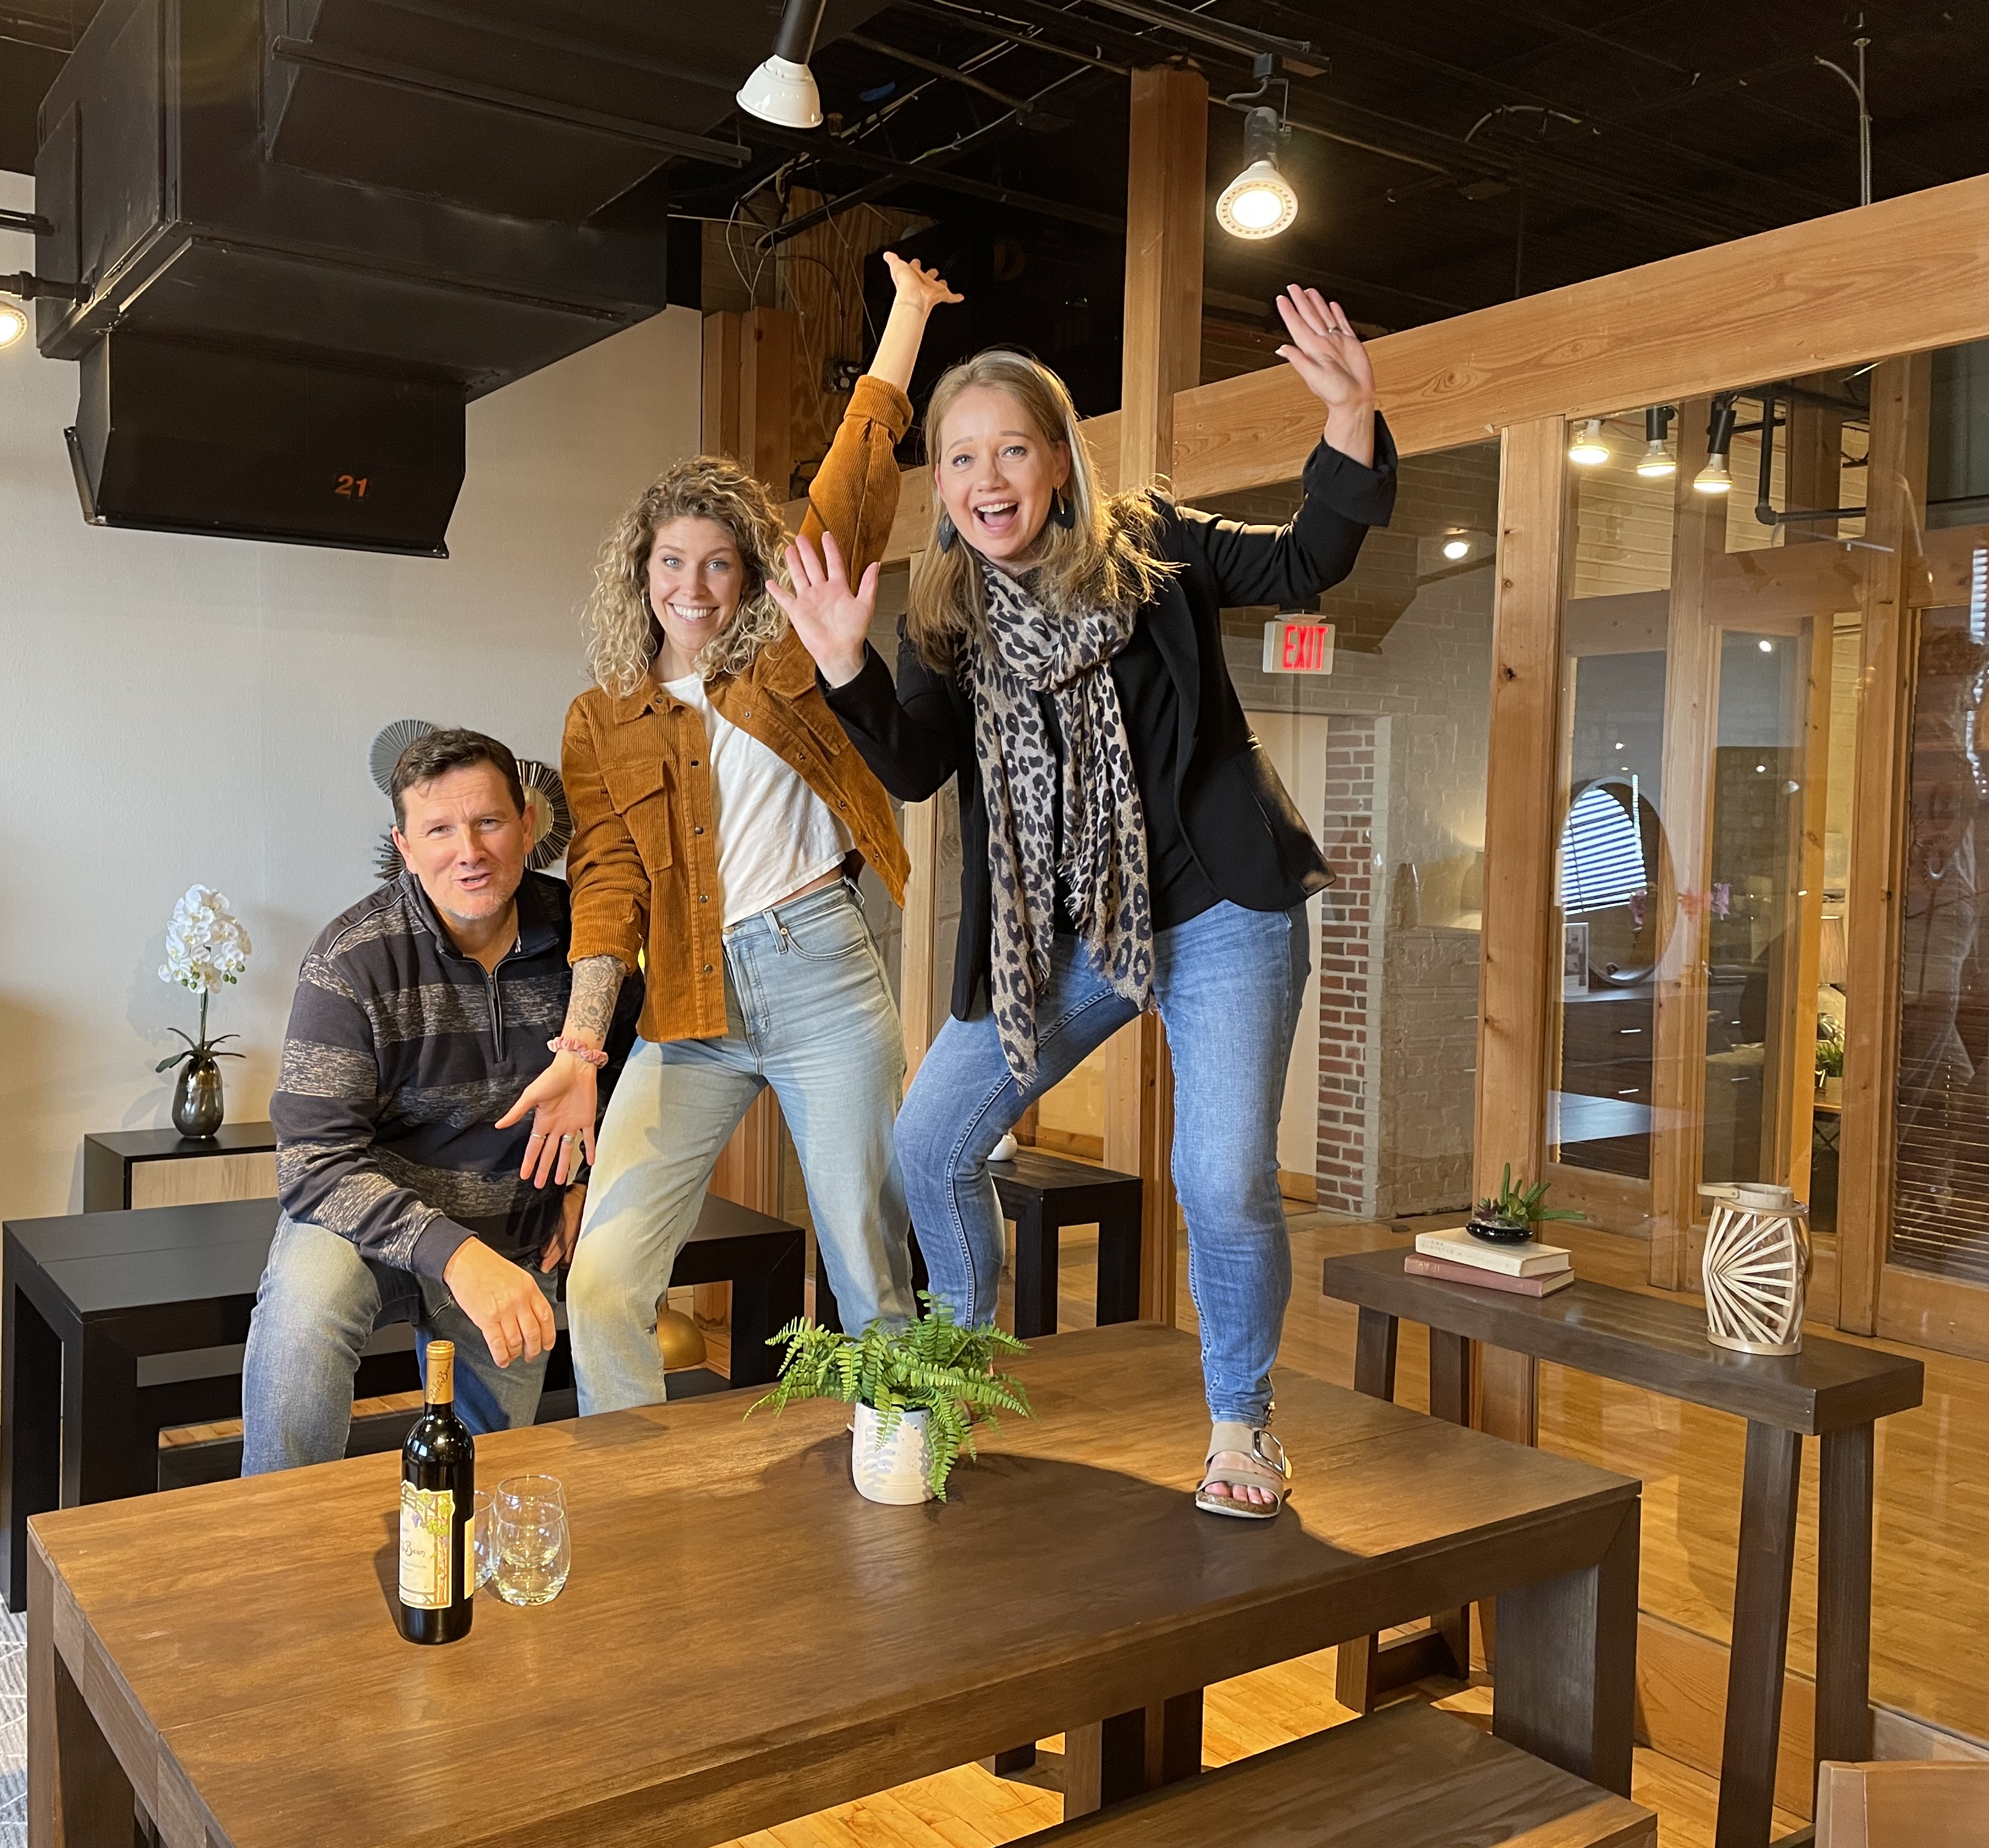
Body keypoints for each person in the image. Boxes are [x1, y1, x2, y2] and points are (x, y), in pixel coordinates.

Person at [776, 287, 1394, 1519]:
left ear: (1058, 461)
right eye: (961, 458)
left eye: (1011, 449)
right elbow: (917, 766)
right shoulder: (942, 612)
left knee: (1219, 1176)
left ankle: (1241, 1424)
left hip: (1219, 907)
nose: (986, 478)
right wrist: (844, 663)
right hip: (1057, 935)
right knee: (929, 1142)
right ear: (942, 484)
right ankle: (956, 1367)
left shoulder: (1151, 548)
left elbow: (1304, 559)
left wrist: (1349, 418)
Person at [499, 250, 961, 1414]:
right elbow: (608, 885)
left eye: (717, 564)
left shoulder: (787, 650)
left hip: (820, 973)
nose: (693, 586)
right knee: (604, 1279)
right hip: (687, 1006)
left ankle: (898, 1465)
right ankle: (635, 1483)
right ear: (640, 571)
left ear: (750, 573)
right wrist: (581, 1044)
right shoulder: (602, 716)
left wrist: (906, 318)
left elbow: (852, 491)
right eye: (672, 562)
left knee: (865, 1269)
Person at [240, 727, 633, 1470]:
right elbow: (314, 1164)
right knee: (302, 1316)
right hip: (369, 1227)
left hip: (514, 1232)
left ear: (527, 824)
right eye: (440, 830)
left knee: (483, 1476)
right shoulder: (350, 960)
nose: (470, 852)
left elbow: (629, 1074)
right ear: (406, 847)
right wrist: (455, 1255)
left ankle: (456, 1541)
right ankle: (276, 1523)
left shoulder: (589, 943)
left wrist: (588, 1179)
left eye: (488, 822)